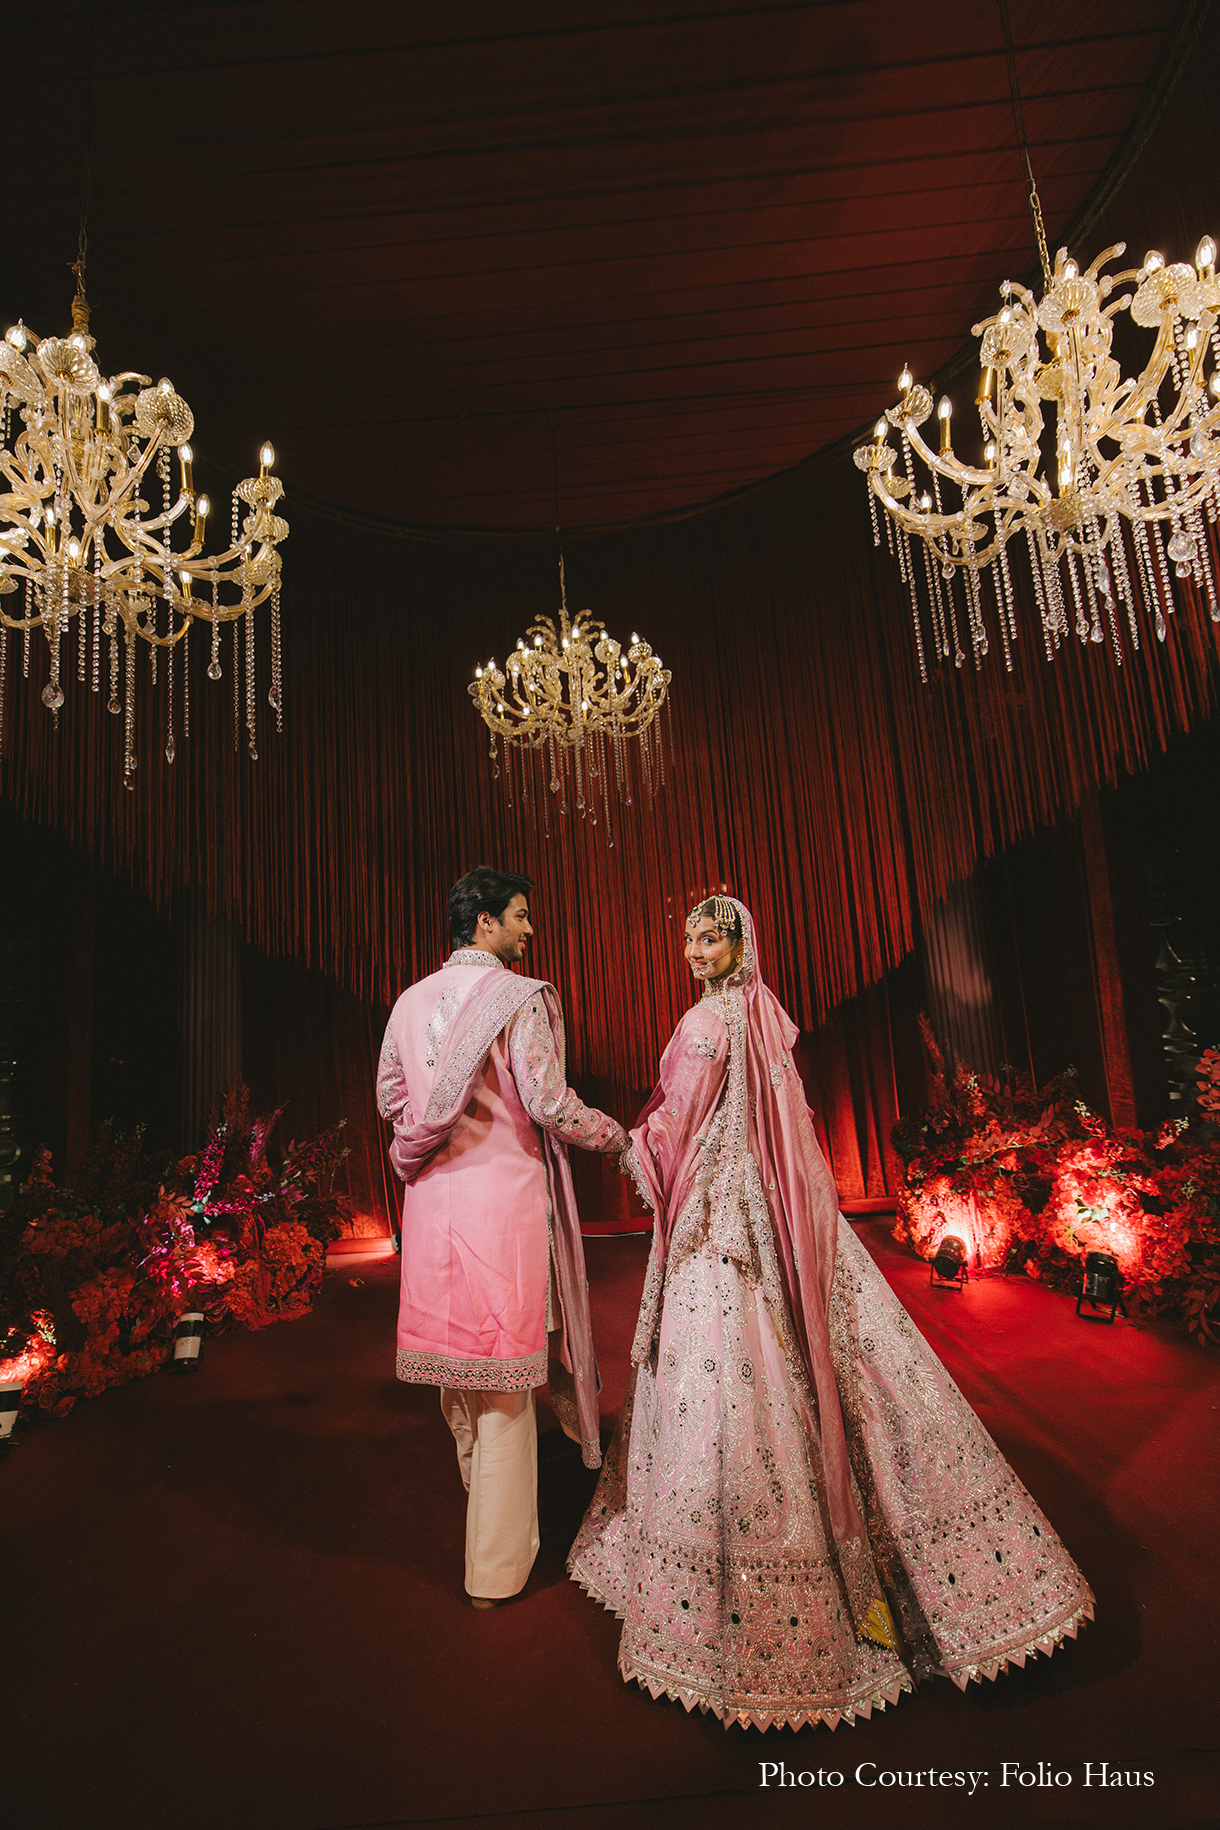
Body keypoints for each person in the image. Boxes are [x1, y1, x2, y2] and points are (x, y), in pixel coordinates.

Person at [568, 894, 1093, 1729]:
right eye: (689, 938)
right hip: (777, 1210)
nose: (696, 951)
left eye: (710, 938)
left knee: (727, 1378)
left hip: (721, 1221)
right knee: (832, 1353)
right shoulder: (762, 1016)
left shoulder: (704, 1024)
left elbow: (673, 1124)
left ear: (739, 944)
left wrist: (618, 1141)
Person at [377, 865, 628, 1607]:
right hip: (502, 1215)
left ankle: (480, 1499)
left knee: (461, 1372)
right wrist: (619, 1139)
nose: (529, 929)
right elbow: (549, 1101)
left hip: (431, 1208)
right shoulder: (518, 999)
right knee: (506, 1391)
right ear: (483, 921)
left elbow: (392, 1098)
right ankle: (494, 1569)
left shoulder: (408, 1000)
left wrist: (430, 1138)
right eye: (519, 915)